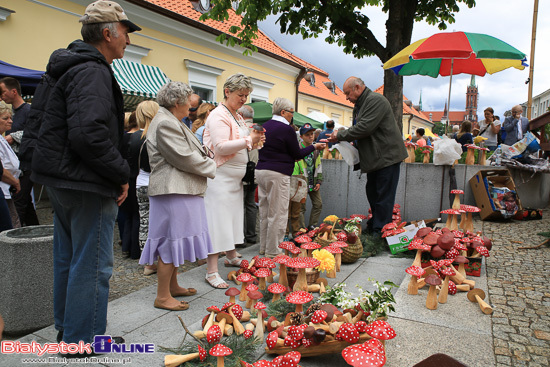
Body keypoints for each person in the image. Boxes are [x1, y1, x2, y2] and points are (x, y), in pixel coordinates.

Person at [24, 0, 140, 347]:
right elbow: (89, 133)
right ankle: (82, 340)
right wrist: (122, 173)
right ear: (107, 33)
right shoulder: (92, 70)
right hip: (85, 181)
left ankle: (69, 332)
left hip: (61, 179)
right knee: (92, 266)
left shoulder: (68, 66)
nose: (128, 41)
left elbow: (41, 124)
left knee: (69, 260)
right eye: (125, 32)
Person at [139, 81, 216, 310]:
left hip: (178, 189)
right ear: (176, 102)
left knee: (176, 240)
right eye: (189, 101)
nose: (191, 106)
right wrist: (211, 166)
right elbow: (184, 157)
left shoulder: (169, 119)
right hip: (173, 190)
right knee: (170, 242)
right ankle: (162, 296)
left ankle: (172, 286)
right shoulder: (165, 123)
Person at [203, 74, 264, 288]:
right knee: (217, 222)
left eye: (247, 95)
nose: (244, 99)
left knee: (231, 219)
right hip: (220, 178)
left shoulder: (235, 115)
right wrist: (249, 140)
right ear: (227, 91)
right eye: (241, 95)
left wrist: (254, 143)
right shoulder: (219, 115)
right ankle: (211, 271)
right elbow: (220, 147)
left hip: (233, 179)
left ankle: (231, 256)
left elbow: (239, 143)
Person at [328, 77, 407, 237]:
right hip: (377, 159)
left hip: (387, 157)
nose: (347, 97)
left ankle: (380, 232)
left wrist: (340, 136)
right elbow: (361, 128)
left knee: (383, 196)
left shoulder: (375, 100)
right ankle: (375, 226)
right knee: (373, 193)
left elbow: (365, 128)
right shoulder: (362, 103)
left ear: (357, 87)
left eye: (348, 93)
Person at [256, 98, 325, 257]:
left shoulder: (264, 126)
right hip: (278, 173)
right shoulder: (286, 129)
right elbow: (296, 154)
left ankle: (264, 247)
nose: (292, 116)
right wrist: (314, 146)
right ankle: (273, 252)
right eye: (291, 113)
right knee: (278, 213)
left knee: (265, 212)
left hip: (261, 171)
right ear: (283, 112)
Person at [0, 77, 39, 227]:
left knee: (19, 203)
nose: (1, 96)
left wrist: (14, 137)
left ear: (14, 91)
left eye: (3, 92)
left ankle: (15, 237)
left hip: (27, 164)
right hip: (19, 166)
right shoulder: (15, 113)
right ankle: (34, 233)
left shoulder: (29, 111)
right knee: (25, 204)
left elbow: (36, 132)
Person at [133, 100, 159, 276]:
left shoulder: (134, 137)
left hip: (140, 183)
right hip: (156, 184)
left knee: (144, 223)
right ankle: (162, 262)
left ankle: (148, 263)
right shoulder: (156, 136)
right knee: (160, 225)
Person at [288, 123, 323, 233]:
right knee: (301, 208)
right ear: (301, 136)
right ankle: (301, 229)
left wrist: (319, 181)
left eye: (312, 134)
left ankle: (312, 226)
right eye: (307, 134)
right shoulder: (297, 148)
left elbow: (318, 165)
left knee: (318, 204)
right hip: (301, 181)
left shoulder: (316, 148)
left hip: (313, 181)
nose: (310, 136)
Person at [119, 112, 141, 259]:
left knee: (127, 215)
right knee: (137, 215)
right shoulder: (140, 137)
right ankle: (134, 250)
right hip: (136, 178)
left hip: (125, 177)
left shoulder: (122, 137)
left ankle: (126, 247)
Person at [237, 104, 259, 247]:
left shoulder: (242, 129)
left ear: (241, 114)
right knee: (251, 205)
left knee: (239, 205)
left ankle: (239, 237)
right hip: (255, 172)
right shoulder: (258, 129)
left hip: (243, 171)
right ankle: (251, 235)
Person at [0, 103, 21, 228]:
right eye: (5, 118)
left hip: (7, 189)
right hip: (3, 188)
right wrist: (14, 181)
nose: (10, 121)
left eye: (10, 118)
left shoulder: (2, 138)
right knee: (9, 226)